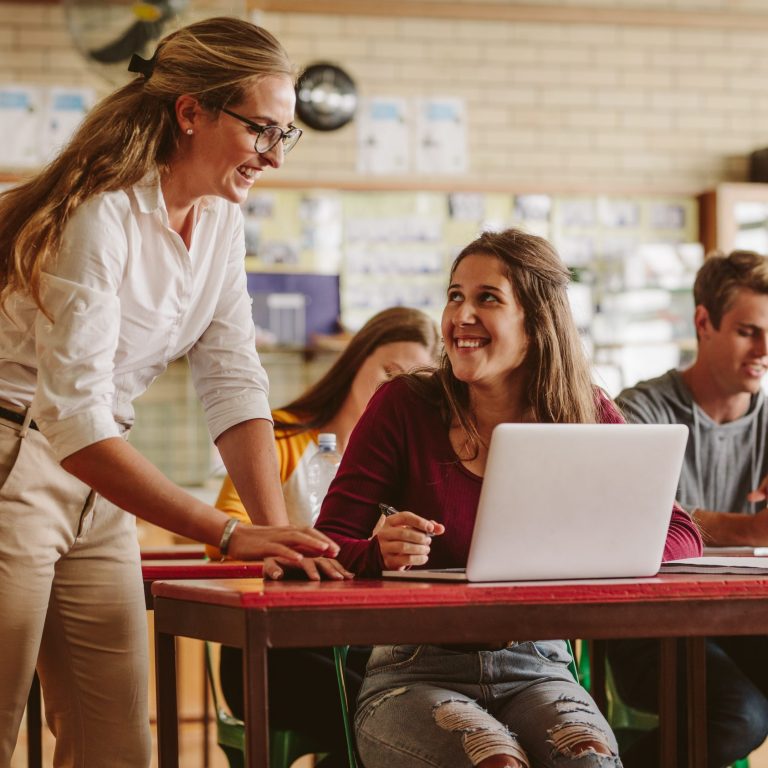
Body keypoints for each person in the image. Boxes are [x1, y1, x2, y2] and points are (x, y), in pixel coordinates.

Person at [0, 18, 340, 767]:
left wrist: (273, 536)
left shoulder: (219, 221)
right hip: (16, 458)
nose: (274, 157)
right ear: (192, 112)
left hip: (95, 473)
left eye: (288, 136)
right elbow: (73, 415)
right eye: (262, 131)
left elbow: (232, 374)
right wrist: (225, 535)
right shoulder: (99, 214)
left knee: (116, 743)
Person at [314, 228, 702, 768]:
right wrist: (378, 553)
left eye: (486, 299)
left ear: (537, 324)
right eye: (455, 296)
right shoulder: (404, 405)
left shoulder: (581, 410)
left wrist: (607, 545)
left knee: (588, 760)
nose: (460, 316)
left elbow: (682, 533)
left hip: (540, 667)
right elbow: (324, 544)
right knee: (493, 760)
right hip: (414, 669)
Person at [209, 305, 440, 768]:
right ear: (356, 361)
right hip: (274, 649)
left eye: (408, 382)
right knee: (402, 724)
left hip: (365, 645)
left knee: (424, 712)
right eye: (386, 372)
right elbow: (225, 540)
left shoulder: (409, 463)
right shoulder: (280, 436)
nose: (390, 390)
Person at [606, 249, 768, 768]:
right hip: (650, 628)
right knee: (739, 716)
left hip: (747, 619)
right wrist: (751, 529)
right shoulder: (639, 411)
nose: (765, 349)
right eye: (749, 331)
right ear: (703, 322)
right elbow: (640, 521)